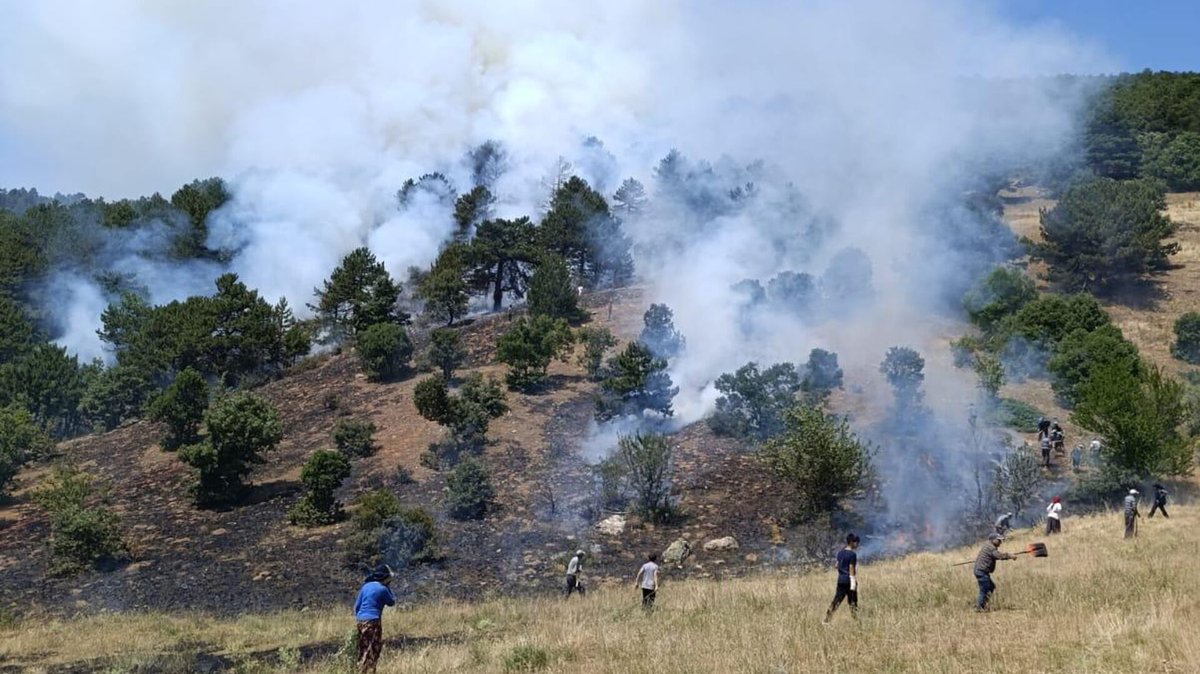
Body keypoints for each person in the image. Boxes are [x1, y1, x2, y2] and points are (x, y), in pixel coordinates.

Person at [353, 564, 397, 674]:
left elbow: (357, 606)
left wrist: (360, 618)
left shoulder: (365, 587)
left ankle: (360, 669)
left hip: (360, 621)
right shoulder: (383, 589)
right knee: (373, 649)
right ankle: (369, 671)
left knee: (363, 648)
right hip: (373, 621)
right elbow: (391, 602)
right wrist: (388, 586)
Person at [824, 533, 860, 623]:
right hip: (849, 580)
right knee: (852, 602)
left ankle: (827, 619)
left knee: (837, 600)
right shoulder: (852, 554)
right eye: (856, 542)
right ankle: (856, 620)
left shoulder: (840, 553)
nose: (857, 544)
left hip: (841, 580)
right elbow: (851, 567)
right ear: (851, 542)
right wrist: (852, 581)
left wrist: (842, 572)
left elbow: (836, 565)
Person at [974, 533, 1015, 612]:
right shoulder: (991, 548)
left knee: (991, 587)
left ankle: (981, 605)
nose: (1000, 542)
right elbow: (999, 556)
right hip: (982, 572)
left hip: (981, 571)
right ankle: (979, 607)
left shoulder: (988, 545)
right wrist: (1010, 556)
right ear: (993, 540)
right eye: (999, 540)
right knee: (984, 590)